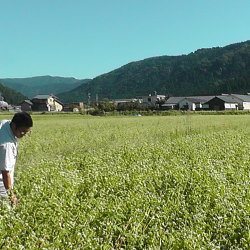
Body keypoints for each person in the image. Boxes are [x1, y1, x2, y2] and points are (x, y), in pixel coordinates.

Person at [0, 112, 33, 206]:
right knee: (6, 209)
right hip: (1, 183)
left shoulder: (5, 124)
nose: (24, 135)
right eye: (22, 131)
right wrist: (11, 195)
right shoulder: (6, 145)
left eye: (27, 132)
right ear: (14, 126)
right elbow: (5, 173)